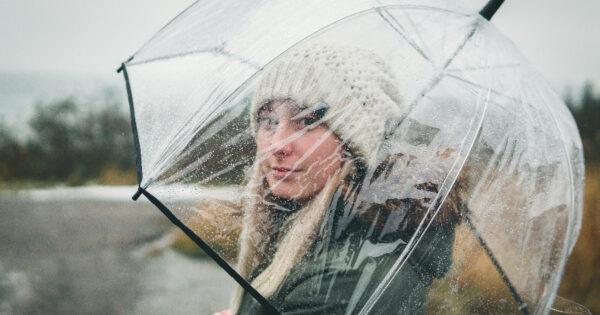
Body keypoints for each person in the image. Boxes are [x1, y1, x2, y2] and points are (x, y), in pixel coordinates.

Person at [204, 41, 463, 314]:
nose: (277, 144)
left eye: (307, 121)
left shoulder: (345, 281)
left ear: (355, 144)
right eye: (268, 121)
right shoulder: (297, 224)